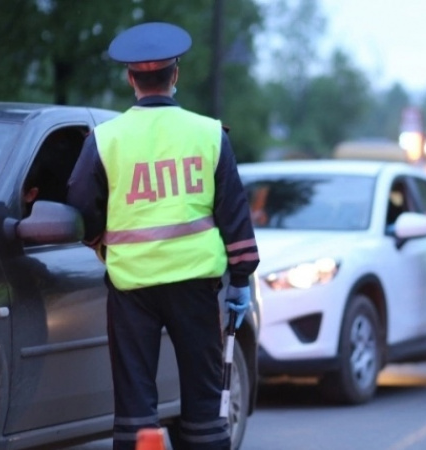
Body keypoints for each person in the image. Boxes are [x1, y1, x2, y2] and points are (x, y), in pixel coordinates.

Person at [66, 22, 259, 450]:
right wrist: (241, 280)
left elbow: (80, 202)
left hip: (132, 288)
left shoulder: (105, 139)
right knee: (205, 400)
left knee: (135, 401)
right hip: (196, 286)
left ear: (129, 78)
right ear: (176, 75)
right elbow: (233, 211)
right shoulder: (209, 133)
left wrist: (100, 240)